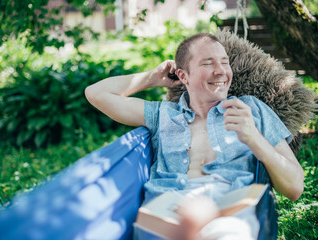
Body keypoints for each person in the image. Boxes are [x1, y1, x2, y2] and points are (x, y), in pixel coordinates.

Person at [85, 33, 304, 239]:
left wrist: (254, 138)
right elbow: (96, 94)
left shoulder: (251, 110)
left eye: (224, 62)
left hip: (229, 211)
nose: (221, 71)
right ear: (183, 76)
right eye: (208, 63)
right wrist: (152, 78)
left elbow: (295, 187)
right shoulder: (162, 114)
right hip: (168, 209)